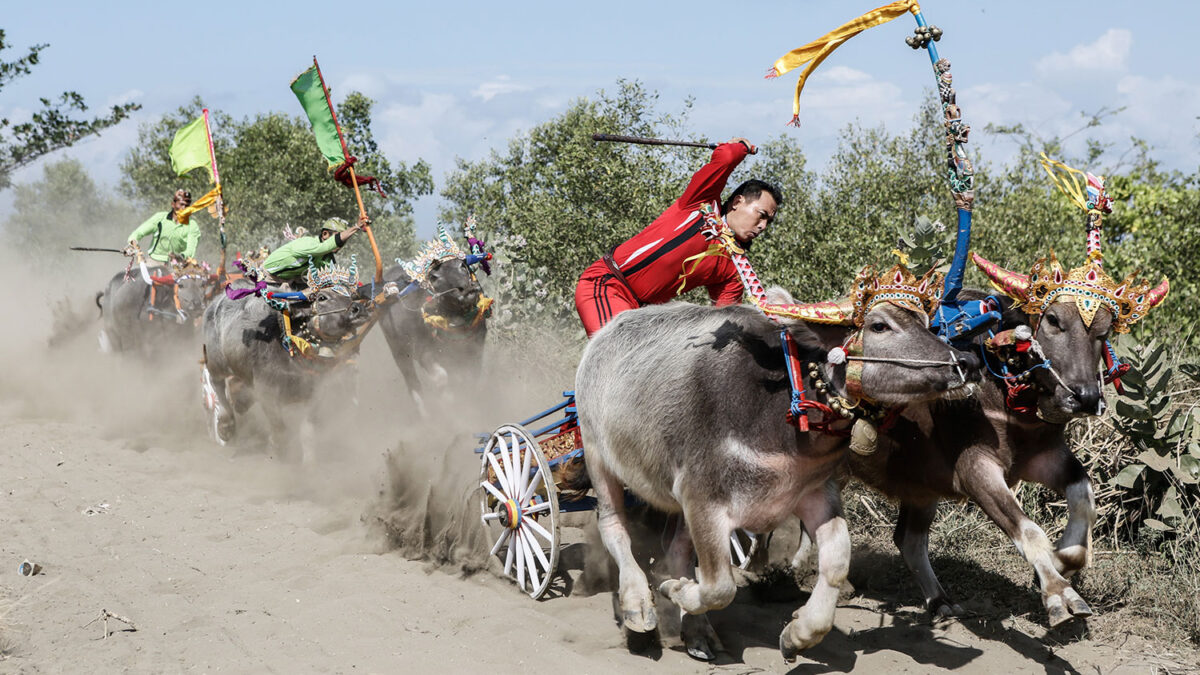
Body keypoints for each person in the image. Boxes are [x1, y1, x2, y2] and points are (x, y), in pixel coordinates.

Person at [574, 137, 781, 337]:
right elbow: (726, 157)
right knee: (620, 356)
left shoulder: (733, 268)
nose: (763, 226)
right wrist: (740, 147)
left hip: (643, 316)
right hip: (607, 285)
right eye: (761, 215)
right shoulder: (701, 202)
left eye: (768, 222)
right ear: (737, 202)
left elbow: (725, 322)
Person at [260, 215, 365, 286]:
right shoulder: (309, 243)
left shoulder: (328, 260)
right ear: (324, 234)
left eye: (344, 239)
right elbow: (324, 247)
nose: (342, 243)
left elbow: (331, 280)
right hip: (268, 278)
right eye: (339, 236)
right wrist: (357, 227)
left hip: (289, 283)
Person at [125, 189, 199, 271]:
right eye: (181, 204)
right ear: (173, 204)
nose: (184, 208)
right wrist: (133, 245)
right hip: (153, 263)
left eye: (187, 206)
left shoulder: (192, 225)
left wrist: (180, 256)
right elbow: (138, 233)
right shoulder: (160, 218)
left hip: (177, 266)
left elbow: (190, 250)